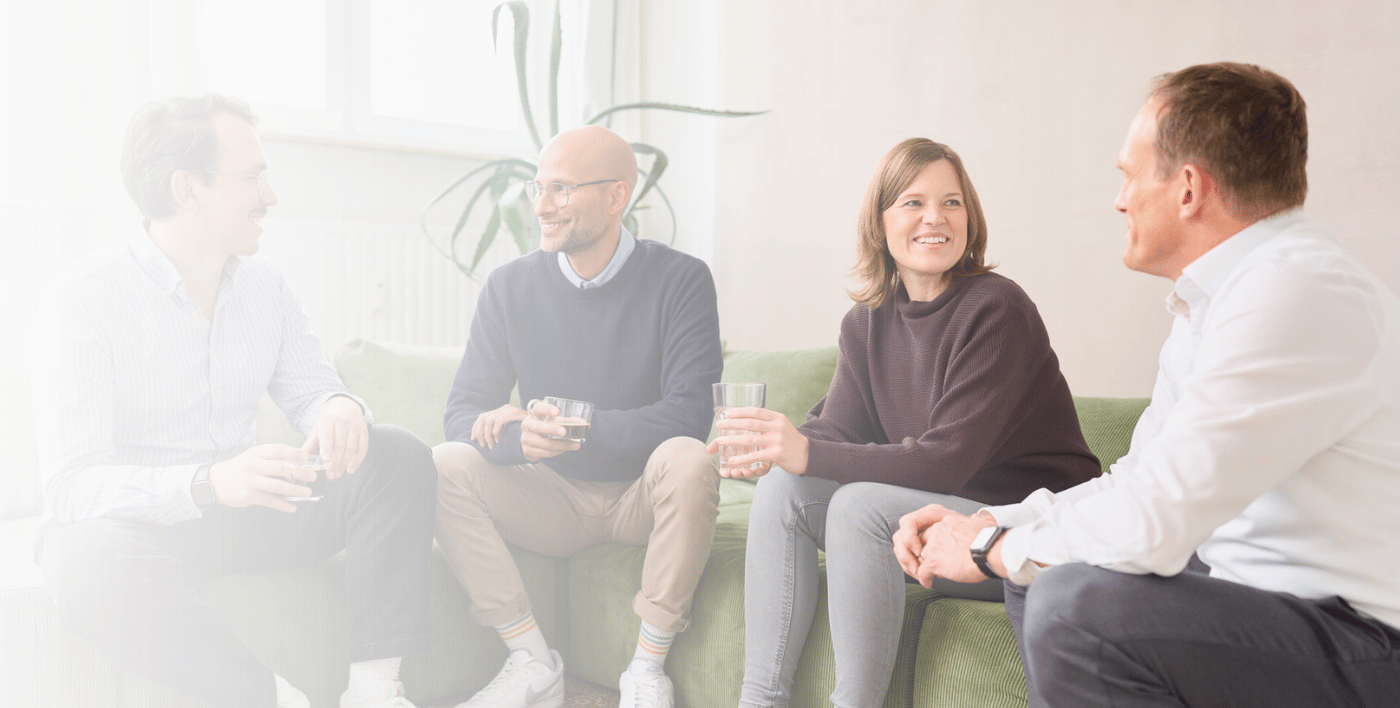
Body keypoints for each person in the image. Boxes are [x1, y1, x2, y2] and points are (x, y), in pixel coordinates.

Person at [903, 62, 1400, 707]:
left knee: (1071, 600)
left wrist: (988, 545)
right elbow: (1138, 486)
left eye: (1130, 176)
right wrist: (996, 519)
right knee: (1050, 570)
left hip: (1362, 642)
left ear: (1188, 188)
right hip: (1264, 606)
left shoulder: (1295, 291)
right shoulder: (1218, 298)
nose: (1120, 199)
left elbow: (1154, 526)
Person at [30, 95, 437, 708]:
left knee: (396, 454)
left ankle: (376, 693)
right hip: (147, 529)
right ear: (186, 187)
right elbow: (72, 487)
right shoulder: (83, 299)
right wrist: (208, 482)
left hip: (250, 514)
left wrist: (338, 407)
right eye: (252, 178)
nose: (269, 196)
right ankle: (271, 699)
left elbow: (312, 387)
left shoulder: (265, 284)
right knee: (84, 564)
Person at [712, 138, 1101, 708]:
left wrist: (805, 451)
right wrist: (773, 448)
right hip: (929, 528)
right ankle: (760, 700)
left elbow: (945, 461)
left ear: (970, 217)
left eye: (951, 203)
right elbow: (837, 431)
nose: (934, 219)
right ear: (881, 222)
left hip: (1016, 532)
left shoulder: (998, 309)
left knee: (859, 507)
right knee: (782, 489)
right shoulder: (867, 322)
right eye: (913, 202)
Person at [433, 125, 723, 708]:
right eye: (538, 189)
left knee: (689, 460)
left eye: (561, 190)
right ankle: (531, 659)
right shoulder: (508, 287)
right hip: (551, 499)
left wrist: (571, 428)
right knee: (444, 463)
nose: (541, 206)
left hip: (642, 495)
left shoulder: (683, 280)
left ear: (618, 196)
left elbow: (690, 416)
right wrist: (516, 437)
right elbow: (462, 413)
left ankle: (646, 669)